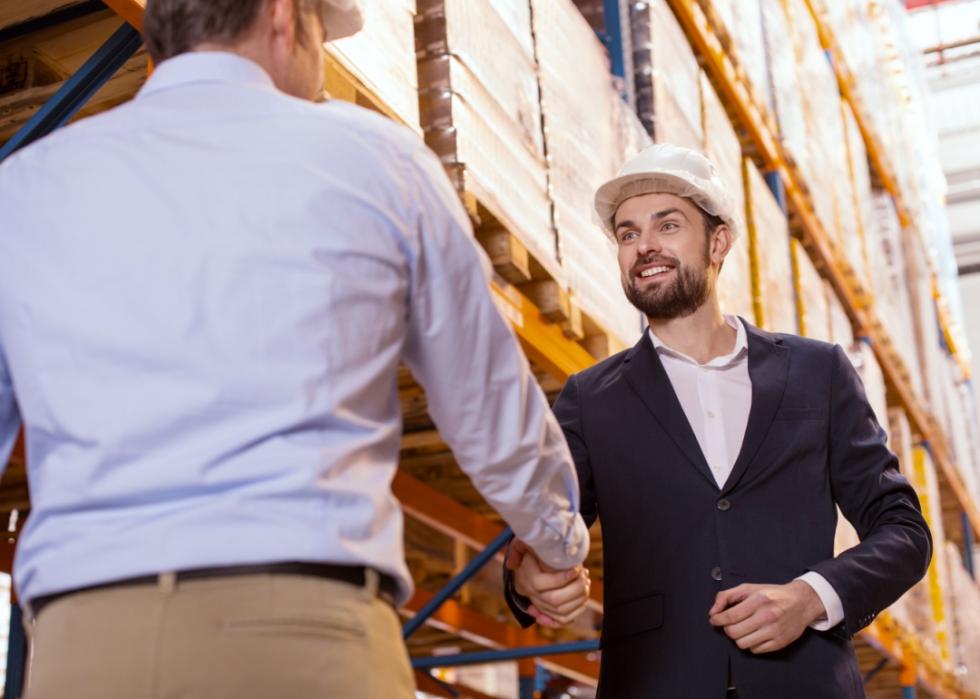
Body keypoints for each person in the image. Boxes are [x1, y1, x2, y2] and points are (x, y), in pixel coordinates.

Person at [0, 1, 590, 697]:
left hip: (85, 648)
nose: (320, 72)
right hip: (304, 637)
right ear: (284, 18)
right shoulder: (381, 162)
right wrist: (557, 548)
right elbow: (492, 409)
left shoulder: (25, 190)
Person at [504, 144, 931, 698]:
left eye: (668, 225)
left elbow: (904, 530)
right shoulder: (590, 398)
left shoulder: (816, 372)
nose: (645, 246)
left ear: (719, 241)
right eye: (628, 234)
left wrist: (810, 597)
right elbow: (543, 528)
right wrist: (529, 578)